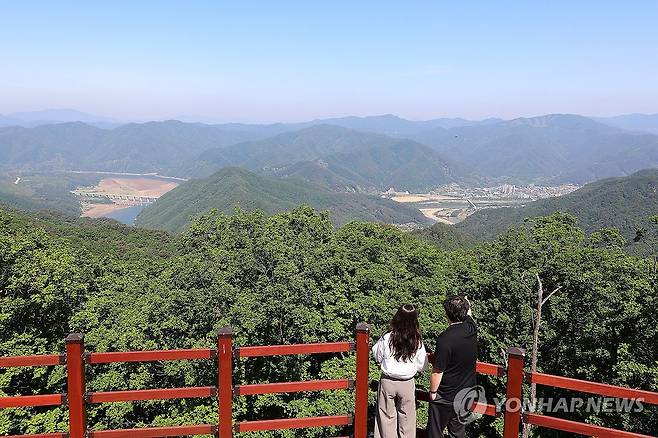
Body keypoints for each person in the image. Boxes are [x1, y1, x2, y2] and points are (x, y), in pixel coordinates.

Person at [372, 304, 428, 438]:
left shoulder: (388, 337)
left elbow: (377, 355)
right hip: (407, 383)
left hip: (388, 381)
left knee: (386, 418)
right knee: (407, 419)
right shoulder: (416, 340)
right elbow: (423, 365)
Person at [427, 295, 478, 438]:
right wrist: (466, 303)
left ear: (446, 314)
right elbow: (468, 315)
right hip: (466, 393)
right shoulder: (471, 329)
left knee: (435, 432)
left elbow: (438, 370)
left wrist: (433, 392)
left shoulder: (445, 338)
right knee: (457, 432)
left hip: (445, 395)